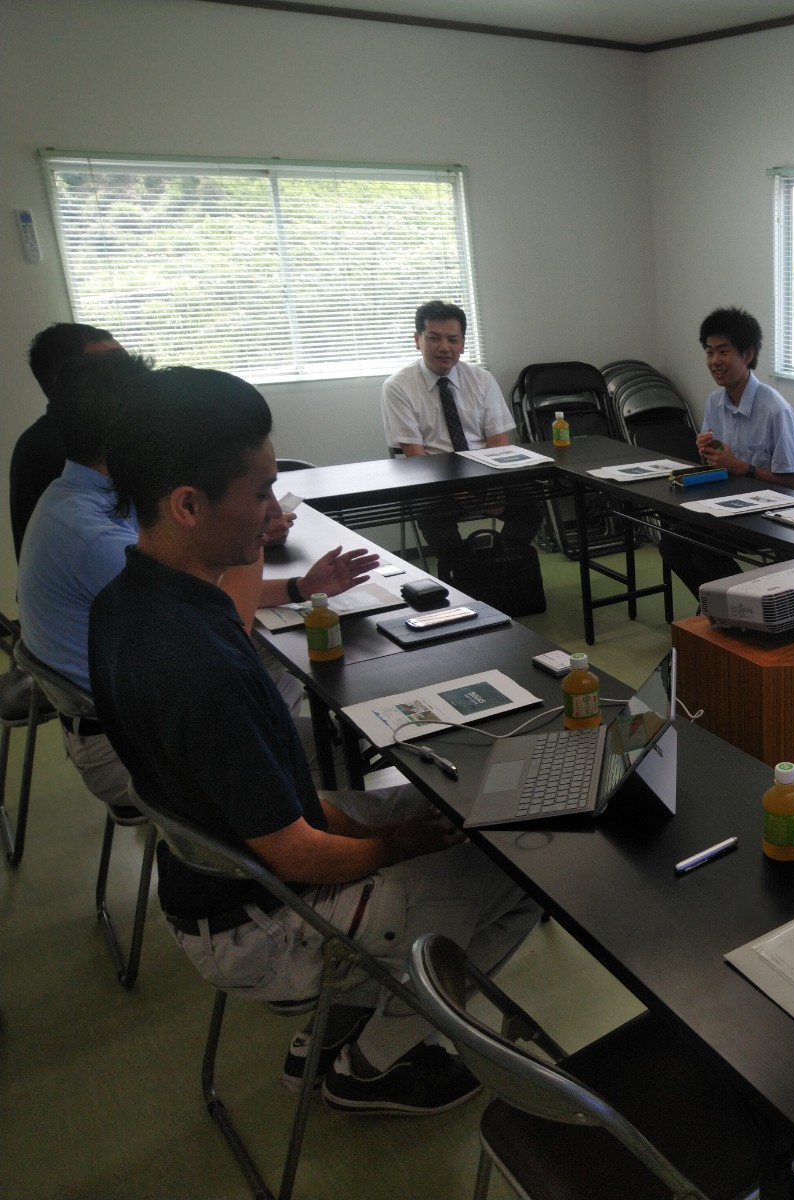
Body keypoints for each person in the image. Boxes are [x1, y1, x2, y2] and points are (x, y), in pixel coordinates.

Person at [89, 366, 541, 1113]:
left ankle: (345, 1021)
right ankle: (376, 1060)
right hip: (263, 923)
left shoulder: (129, 602)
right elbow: (296, 852)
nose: (276, 513)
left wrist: (392, 829)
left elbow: (277, 805)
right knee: (521, 873)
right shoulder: (195, 663)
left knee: (457, 804)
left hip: (226, 879)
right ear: (188, 505)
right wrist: (396, 846)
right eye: (262, 492)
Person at [19, 353, 377, 819]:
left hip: (132, 712)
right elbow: (225, 628)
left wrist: (297, 586)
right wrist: (255, 531)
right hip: (124, 746)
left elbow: (208, 598)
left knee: (293, 643)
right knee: (338, 735)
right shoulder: (100, 543)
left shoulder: (78, 499)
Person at [660, 306, 794, 600]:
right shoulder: (715, 402)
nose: (715, 361)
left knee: (706, 554)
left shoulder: (775, 409)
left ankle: (745, 608)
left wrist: (740, 467)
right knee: (672, 543)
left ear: (747, 355)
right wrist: (706, 452)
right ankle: (714, 608)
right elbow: (715, 463)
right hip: (726, 505)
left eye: (723, 352)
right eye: (709, 352)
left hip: (766, 512)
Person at [380, 300, 538, 564]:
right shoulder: (398, 386)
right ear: (417, 340)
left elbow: (498, 442)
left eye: (453, 339)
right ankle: (463, 569)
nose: (445, 347)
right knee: (433, 518)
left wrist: (491, 487)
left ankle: (500, 560)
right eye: (434, 338)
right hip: (434, 479)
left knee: (531, 505)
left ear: (462, 344)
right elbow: (415, 455)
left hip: (484, 474)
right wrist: (461, 493)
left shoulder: (481, 379)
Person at [11, 322, 123, 558]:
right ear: (67, 378)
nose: (127, 372)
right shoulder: (54, 448)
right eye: (111, 363)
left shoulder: (46, 439)